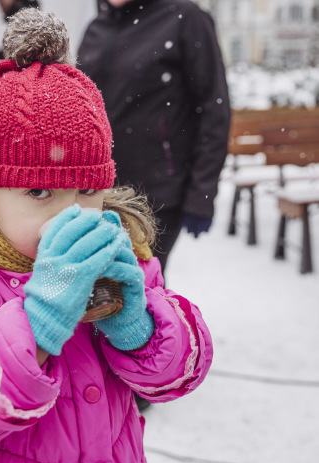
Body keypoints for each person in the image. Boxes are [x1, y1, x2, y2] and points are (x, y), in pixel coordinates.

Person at [0, 9, 213, 463]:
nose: (70, 217)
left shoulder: (122, 256)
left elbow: (178, 375)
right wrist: (36, 322)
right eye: (38, 191)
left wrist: (139, 329)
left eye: (85, 189)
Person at [78, 0, 231, 273]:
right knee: (96, 291)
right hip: (96, 192)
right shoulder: (97, 28)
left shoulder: (185, 18)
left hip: (156, 196)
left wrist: (201, 195)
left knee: (139, 286)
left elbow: (213, 110)